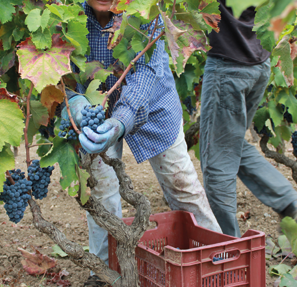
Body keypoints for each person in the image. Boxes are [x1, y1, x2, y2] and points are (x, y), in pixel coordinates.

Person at [62, 0, 222, 285]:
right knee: (100, 194)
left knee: (182, 186)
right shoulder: (64, 13)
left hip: (154, 108)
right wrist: (72, 101)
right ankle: (102, 274)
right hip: (95, 113)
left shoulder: (144, 9)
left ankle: (217, 261)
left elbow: (147, 73)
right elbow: (59, 72)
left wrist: (121, 120)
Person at [199, 1, 297, 238]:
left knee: (216, 160)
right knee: (232, 145)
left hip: (229, 66)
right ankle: (288, 202)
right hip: (258, 63)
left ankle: (228, 246)